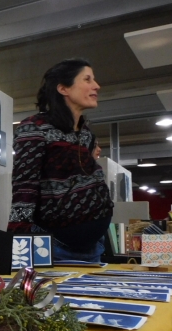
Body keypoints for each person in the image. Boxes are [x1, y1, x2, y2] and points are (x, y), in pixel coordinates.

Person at [7, 58, 114, 262]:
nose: (97, 85)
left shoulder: (86, 135)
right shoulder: (35, 127)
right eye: (87, 79)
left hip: (94, 248)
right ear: (63, 88)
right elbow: (24, 187)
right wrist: (17, 241)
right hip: (55, 248)